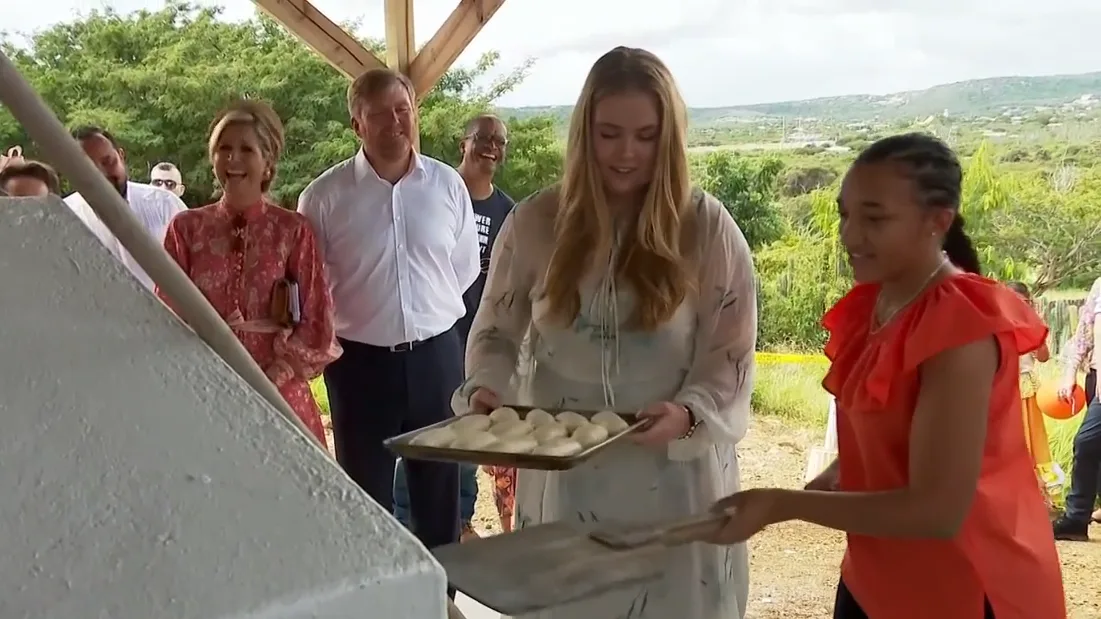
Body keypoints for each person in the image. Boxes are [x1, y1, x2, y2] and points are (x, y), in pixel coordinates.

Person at [705, 134, 1065, 619]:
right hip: (877, 575)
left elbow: (936, 511)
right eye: (845, 214)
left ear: (937, 222)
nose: (850, 235)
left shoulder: (960, 327)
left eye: (874, 218)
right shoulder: (876, 307)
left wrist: (780, 504)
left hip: (962, 586)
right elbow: (887, 432)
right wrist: (843, 471)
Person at [456, 47, 755, 619]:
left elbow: (729, 352)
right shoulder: (537, 223)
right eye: (609, 133)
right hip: (567, 478)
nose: (625, 153)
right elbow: (495, 329)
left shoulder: (706, 227)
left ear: (668, 138)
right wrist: (487, 389)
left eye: (645, 136)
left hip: (674, 477)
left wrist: (689, 413)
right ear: (583, 131)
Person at [298, 68, 479, 556]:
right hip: (359, 365)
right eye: (380, 114)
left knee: (440, 490)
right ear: (357, 124)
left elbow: (461, 270)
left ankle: (439, 598)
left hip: (437, 357)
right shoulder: (322, 197)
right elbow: (313, 286)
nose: (396, 122)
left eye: (404, 110)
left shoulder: (447, 185)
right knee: (365, 495)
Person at [157, 100, 340, 446]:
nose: (233, 159)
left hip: (279, 391)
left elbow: (317, 319)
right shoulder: (186, 228)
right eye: (224, 149)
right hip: (207, 388)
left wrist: (277, 373)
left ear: (267, 161)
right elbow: (165, 310)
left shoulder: (292, 230)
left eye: (245, 149)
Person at [393, 114, 516, 538]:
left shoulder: (507, 211)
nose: (491, 147)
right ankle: (404, 519)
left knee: (466, 434)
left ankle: (459, 520)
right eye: (482, 138)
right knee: (427, 436)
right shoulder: (436, 193)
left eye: (499, 140)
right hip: (435, 338)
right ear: (463, 142)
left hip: (479, 343)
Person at [65, 126, 186, 291]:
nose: (100, 175)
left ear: (121, 156)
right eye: (87, 168)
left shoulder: (166, 205)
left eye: (108, 162)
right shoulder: (64, 216)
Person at [1053, 274, 1101, 539]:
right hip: (1095, 376)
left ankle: (1076, 518)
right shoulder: (1099, 285)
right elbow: (1083, 333)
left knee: (1087, 442)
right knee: (1095, 446)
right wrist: (1070, 373)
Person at [1008, 282, 1056, 509]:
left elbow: (1044, 357)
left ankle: (1036, 496)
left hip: (1026, 387)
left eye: (1023, 301)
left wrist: (1036, 330)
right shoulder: (998, 322)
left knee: (1031, 443)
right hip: (1005, 388)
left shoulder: (1032, 323)